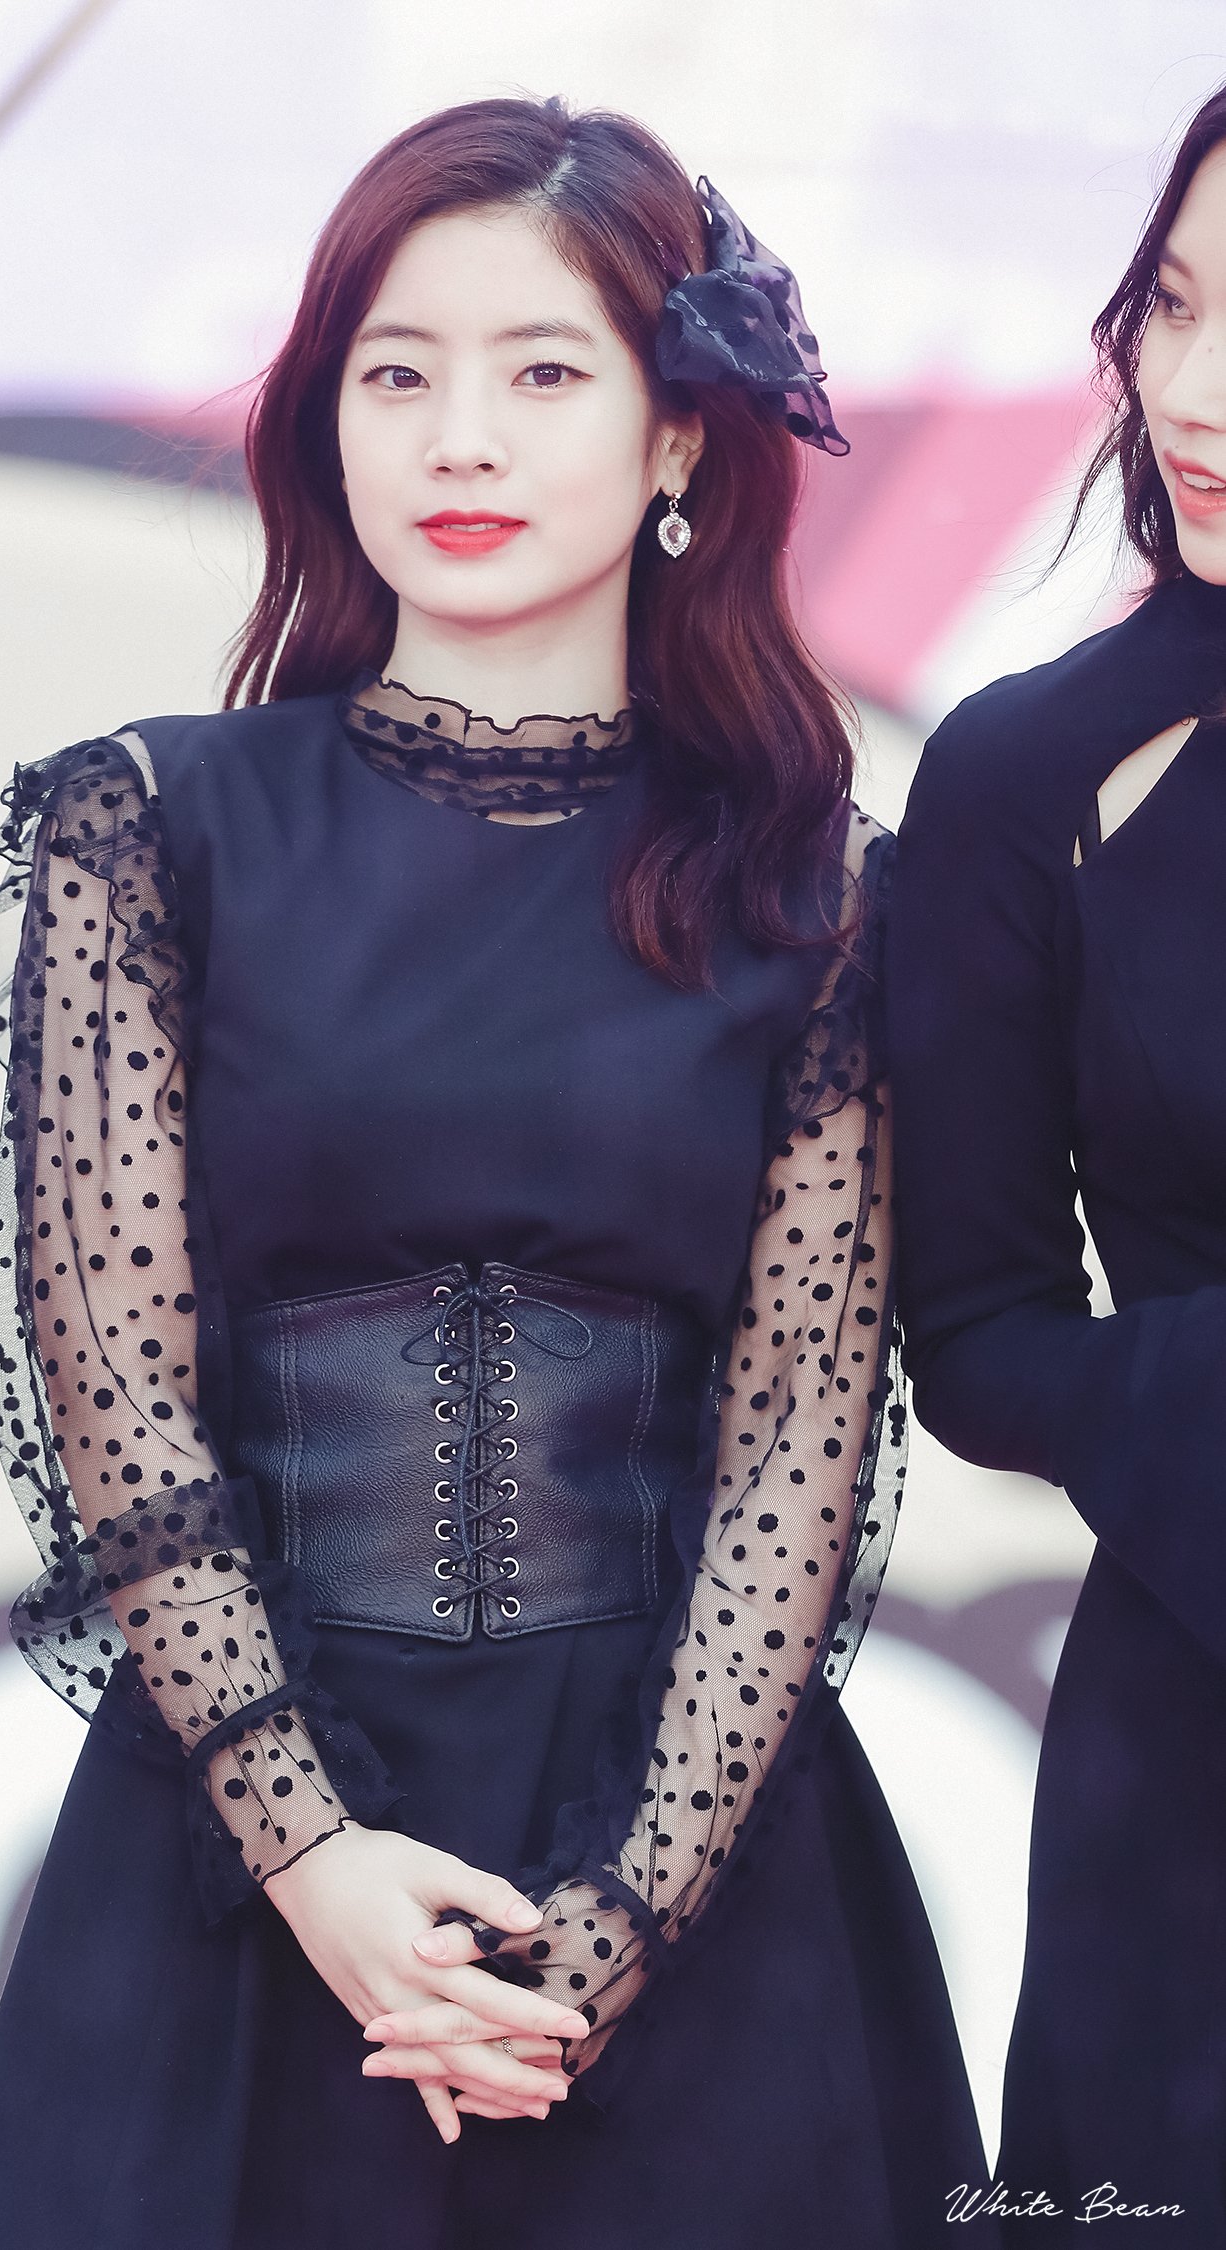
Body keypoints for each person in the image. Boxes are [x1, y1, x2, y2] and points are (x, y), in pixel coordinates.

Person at [0, 96, 988, 2250]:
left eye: (543, 371)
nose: (461, 440)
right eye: (397, 374)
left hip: (698, 1884)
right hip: (238, 1861)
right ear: (327, 420)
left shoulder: (817, 896)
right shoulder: (154, 831)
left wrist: (615, 1923)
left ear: (677, 437)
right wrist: (313, 1860)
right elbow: (117, 1392)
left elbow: (797, 1447)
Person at [888, 83, 1226, 2245]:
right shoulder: (1031, 771)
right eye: (1173, 304)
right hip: (1194, 1745)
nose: (1194, 391)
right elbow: (984, 1337)